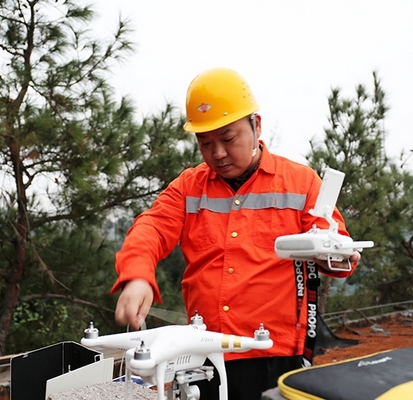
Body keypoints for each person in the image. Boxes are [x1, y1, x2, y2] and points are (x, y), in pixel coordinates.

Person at [111, 67, 361, 400]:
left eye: (228, 139)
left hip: (273, 352)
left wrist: (335, 255)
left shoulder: (301, 184)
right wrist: (137, 275)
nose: (217, 153)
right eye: (205, 143)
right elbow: (151, 227)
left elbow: (338, 250)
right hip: (205, 352)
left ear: (256, 125)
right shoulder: (188, 187)